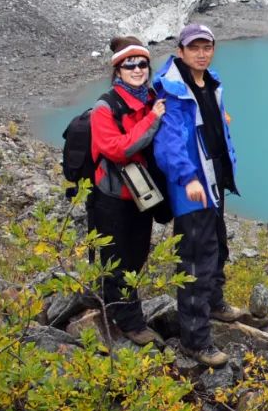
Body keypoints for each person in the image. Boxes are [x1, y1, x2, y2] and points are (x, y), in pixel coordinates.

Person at [152, 23, 242, 367]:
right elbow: (168, 142)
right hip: (191, 187)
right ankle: (195, 340)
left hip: (213, 179)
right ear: (181, 52)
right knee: (195, 259)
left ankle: (215, 303)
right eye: (195, 48)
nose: (202, 53)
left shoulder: (210, 81)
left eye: (207, 47)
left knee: (217, 244)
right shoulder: (173, 90)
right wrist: (188, 177)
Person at [87, 36, 166, 347]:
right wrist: (153, 119)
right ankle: (130, 324)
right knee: (118, 259)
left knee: (136, 254)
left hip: (139, 194)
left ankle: (113, 306)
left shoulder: (149, 98)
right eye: (129, 64)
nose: (137, 69)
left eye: (142, 64)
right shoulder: (105, 108)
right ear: (117, 70)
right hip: (113, 198)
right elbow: (120, 149)